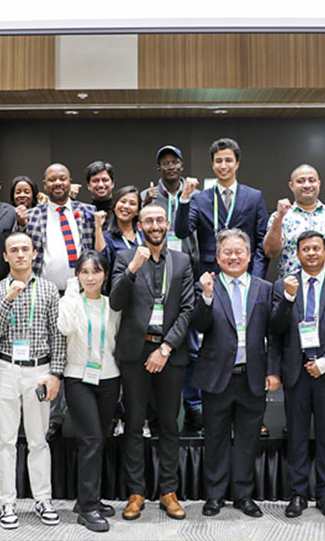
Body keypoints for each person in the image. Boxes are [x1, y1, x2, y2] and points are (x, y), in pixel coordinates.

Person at [109, 203, 194, 521]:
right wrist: (132, 268)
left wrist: (167, 348)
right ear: (139, 224)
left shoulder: (182, 260)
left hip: (169, 354)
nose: (155, 225)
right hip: (134, 354)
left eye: (160, 220)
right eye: (149, 220)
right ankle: (136, 492)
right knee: (133, 426)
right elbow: (116, 302)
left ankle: (168, 491)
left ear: (168, 223)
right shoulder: (123, 258)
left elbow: (188, 308)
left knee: (170, 426)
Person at [191, 228, 280, 519]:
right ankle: (215, 495)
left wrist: (273, 371)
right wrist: (204, 296)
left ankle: (243, 495)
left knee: (247, 439)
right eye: (226, 252)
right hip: (218, 376)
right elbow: (200, 325)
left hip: (252, 376)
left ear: (248, 255)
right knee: (215, 438)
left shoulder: (264, 288)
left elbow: (274, 335)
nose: (233, 257)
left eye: (238, 252)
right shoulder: (207, 285)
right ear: (217, 257)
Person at [0, 232, 66, 530]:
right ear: (5, 257)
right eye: (13, 250)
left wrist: (55, 374)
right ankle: (7, 502)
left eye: (25, 249)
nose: (19, 254)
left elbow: (58, 337)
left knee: (38, 441)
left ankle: (42, 499)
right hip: (5, 369)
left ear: (33, 254)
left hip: (38, 371)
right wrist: (9, 297)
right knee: (4, 442)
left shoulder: (48, 290)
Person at [270, 230, 325, 520]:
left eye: (316, 248)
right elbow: (276, 328)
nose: (311, 253)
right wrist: (288, 299)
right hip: (296, 371)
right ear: (298, 253)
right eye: (305, 249)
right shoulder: (283, 284)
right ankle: (297, 494)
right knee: (297, 436)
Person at [58, 251, 122, 532]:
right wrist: (72, 291)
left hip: (109, 377)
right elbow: (65, 326)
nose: (90, 277)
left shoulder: (113, 305)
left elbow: (116, 342)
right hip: (78, 377)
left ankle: (89, 497)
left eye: (96, 271)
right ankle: (87, 508)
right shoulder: (70, 301)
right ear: (77, 276)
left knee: (100, 438)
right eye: (84, 271)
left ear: (105, 274)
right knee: (91, 439)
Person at [140, 145, 203, 432]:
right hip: (157, 274)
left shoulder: (197, 195)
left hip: (187, 272)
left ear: (181, 165)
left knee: (189, 344)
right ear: (159, 169)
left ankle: (193, 405)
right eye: (165, 163)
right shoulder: (149, 196)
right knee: (155, 343)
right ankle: (155, 411)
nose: (171, 167)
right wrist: (145, 203)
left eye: (175, 162)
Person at [174, 138, 270, 277]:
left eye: (228, 160)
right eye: (218, 161)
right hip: (211, 274)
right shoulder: (200, 199)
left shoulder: (254, 197)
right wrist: (184, 197)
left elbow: (262, 241)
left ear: (237, 164)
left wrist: (257, 276)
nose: (223, 166)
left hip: (246, 273)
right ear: (213, 165)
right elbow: (181, 232)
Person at [21, 163, 99, 288]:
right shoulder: (32, 215)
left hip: (82, 290)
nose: (58, 183)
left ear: (70, 182)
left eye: (62, 179)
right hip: (43, 291)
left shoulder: (88, 211)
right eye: (52, 180)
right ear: (45, 185)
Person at [264, 164, 325, 278]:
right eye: (300, 181)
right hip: (293, 288)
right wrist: (279, 217)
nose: (307, 185)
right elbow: (270, 252)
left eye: (311, 180)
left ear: (319, 183)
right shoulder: (281, 216)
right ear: (291, 185)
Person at [99, 185, 142, 265]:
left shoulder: (143, 234)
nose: (126, 206)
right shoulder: (106, 237)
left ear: (137, 211)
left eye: (132, 204)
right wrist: (98, 226)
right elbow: (101, 262)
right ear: (114, 206)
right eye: (123, 201)